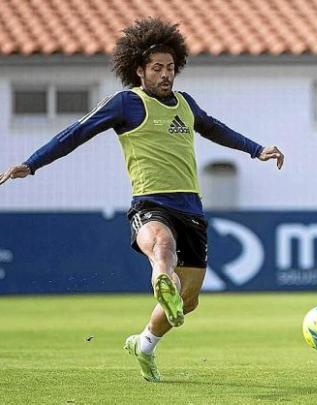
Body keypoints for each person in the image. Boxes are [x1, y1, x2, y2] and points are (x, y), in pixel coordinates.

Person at [0, 18, 284, 383]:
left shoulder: (185, 103)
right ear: (139, 70)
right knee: (162, 244)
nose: (166, 75)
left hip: (191, 209)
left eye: (170, 68)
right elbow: (76, 132)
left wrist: (256, 149)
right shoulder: (126, 104)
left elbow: (215, 128)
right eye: (157, 69)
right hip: (150, 202)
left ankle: (145, 344)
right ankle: (162, 279)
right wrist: (32, 164)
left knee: (191, 298)